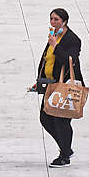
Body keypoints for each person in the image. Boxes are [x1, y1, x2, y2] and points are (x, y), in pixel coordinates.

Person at [32, 9, 83, 167]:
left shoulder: (72, 39)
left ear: (65, 21)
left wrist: (55, 45)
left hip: (65, 86)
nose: (53, 22)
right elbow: (47, 59)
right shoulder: (54, 35)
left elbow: (69, 61)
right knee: (45, 118)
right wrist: (40, 81)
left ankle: (64, 155)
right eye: (51, 19)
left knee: (61, 121)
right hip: (51, 84)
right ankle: (66, 149)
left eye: (56, 19)